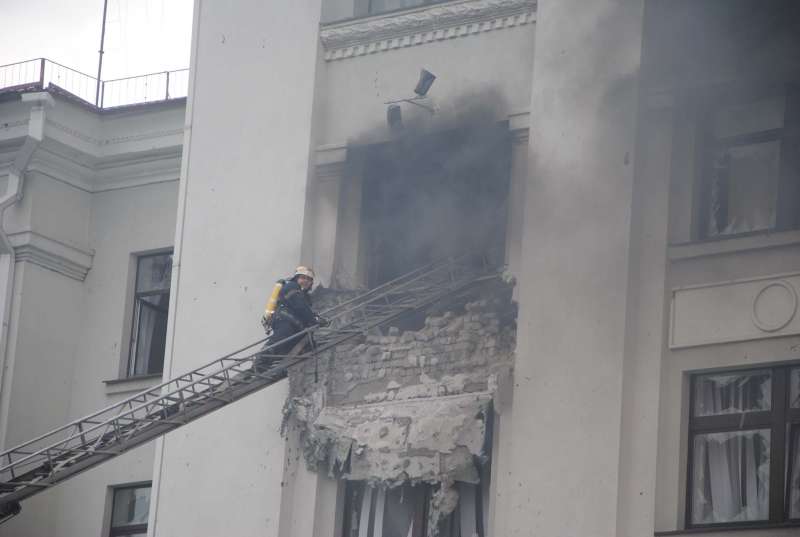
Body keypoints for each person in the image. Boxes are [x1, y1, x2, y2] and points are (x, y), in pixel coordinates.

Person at [254, 266, 328, 373]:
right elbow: (300, 307)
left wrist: (316, 319)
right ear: (296, 278)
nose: (306, 281)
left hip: (295, 326)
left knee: (301, 344)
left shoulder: (305, 296)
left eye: (309, 279)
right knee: (281, 338)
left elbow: (304, 310)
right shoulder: (291, 287)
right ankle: (261, 359)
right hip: (285, 320)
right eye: (303, 278)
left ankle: (273, 366)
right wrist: (314, 321)